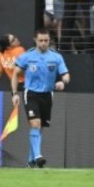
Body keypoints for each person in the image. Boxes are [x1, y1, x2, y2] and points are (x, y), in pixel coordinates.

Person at [11, 29, 70, 169]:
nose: (44, 43)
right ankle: (38, 156)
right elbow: (15, 74)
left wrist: (63, 82)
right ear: (35, 40)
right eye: (41, 40)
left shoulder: (56, 57)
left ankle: (31, 161)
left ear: (49, 41)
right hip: (31, 93)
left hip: (47, 94)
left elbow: (66, 74)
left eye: (46, 40)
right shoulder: (27, 56)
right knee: (35, 124)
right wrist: (14, 94)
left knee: (39, 128)